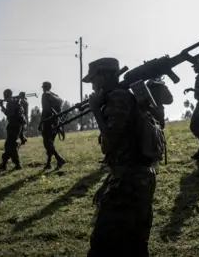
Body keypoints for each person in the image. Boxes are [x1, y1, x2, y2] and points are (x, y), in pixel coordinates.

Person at [83, 57, 158, 257]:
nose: (92, 84)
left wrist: (95, 110)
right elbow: (125, 149)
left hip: (129, 185)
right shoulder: (125, 96)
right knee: (135, 245)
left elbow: (113, 138)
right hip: (137, 179)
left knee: (102, 246)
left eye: (94, 79)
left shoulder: (118, 97)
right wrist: (107, 183)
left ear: (106, 76)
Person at [38, 81, 66, 170]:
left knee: (47, 142)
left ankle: (59, 158)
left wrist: (41, 123)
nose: (42, 89)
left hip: (48, 122)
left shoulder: (45, 95)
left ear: (45, 87)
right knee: (50, 143)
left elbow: (45, 110)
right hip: (56, 122)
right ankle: (49, 163)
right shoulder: (56, 96)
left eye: (43, 87)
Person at [0, 89, 25, 170]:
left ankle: (16, 164)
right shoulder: (14, 101)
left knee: (11, 145)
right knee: (9, 145)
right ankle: (5, 164)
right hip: (15, 125)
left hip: (14, 126)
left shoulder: (11, 103)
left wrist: (1, 106)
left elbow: (8, 113)